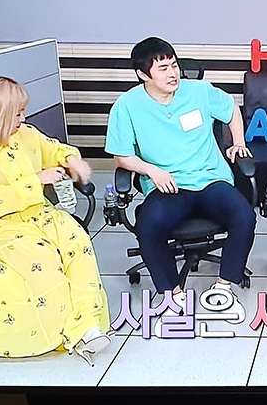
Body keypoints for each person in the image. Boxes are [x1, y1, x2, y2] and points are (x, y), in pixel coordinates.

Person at [0, 76, 112, 365]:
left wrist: (72, 160)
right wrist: (36, 179)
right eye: (16, 114)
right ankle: (64, 333)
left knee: (77, 242)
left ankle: (86, 326)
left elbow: (56, 149)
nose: (23, 119)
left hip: (38, 213)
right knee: (43, 258)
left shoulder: (25, 134)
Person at [105, 37, 255, 331]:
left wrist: (238, 141)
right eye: (163, 69)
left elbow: (231, 109)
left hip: (210, 178)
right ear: (143, 74)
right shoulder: (127, 106)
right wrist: (151, 170)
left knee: (244, 215)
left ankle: (224, 287)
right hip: (169, 185)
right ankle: (172, 295)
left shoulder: (199, 91)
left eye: (174, 65)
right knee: (148, 224)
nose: (173, 73)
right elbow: (121, 156)